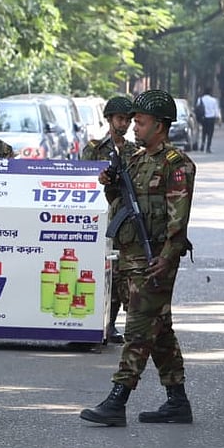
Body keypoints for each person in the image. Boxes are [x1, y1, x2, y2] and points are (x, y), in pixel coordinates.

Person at [80, 89, 196, 427]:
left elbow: (179, 218)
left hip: (155, 259)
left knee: (138, 330)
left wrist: (168, 256)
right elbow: (121, 202)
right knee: (159, 330)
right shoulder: (136, 159)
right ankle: (177, 401)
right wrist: (110, 184)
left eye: (141, 122)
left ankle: (118, 400)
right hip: (131, 258)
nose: (134, 128)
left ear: (159, 125)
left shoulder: (177, 165)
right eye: (133, 121)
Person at [79, 95, 138, 344]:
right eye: (119, 119)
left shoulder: (134, 152)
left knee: (117, 274)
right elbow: (81, 181)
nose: (123, 124)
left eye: (127, 120)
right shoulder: (93, 150)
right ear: (109, 119)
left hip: (121, 218)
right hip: (95, 216)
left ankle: (111, 323)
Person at [195, 88, 220, 152]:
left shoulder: (200, 99)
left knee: (204, 132)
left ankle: (202, 145)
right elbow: (216, 110)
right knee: (210, 133)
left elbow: (198, 109)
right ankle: (208, 147)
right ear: (210, 92)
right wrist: (218, 119)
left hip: (203, 118)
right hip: (211, 118)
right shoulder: (213, 100)